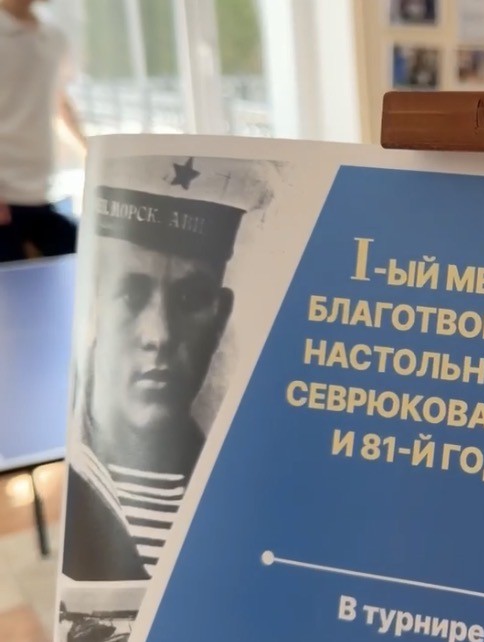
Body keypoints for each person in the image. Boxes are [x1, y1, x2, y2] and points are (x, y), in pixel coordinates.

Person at [62, 156, 245, 582]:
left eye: (190, 299)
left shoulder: (237, 484)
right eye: (130, 294)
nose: (159, 335)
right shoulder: (72, 484)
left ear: (220, 320)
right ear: (92, 307)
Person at [0, 0, 87, 262]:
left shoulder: (54, 37)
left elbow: (59, 102)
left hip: (41, 193)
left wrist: (92, 154)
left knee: (84, 261)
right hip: (4, 197)